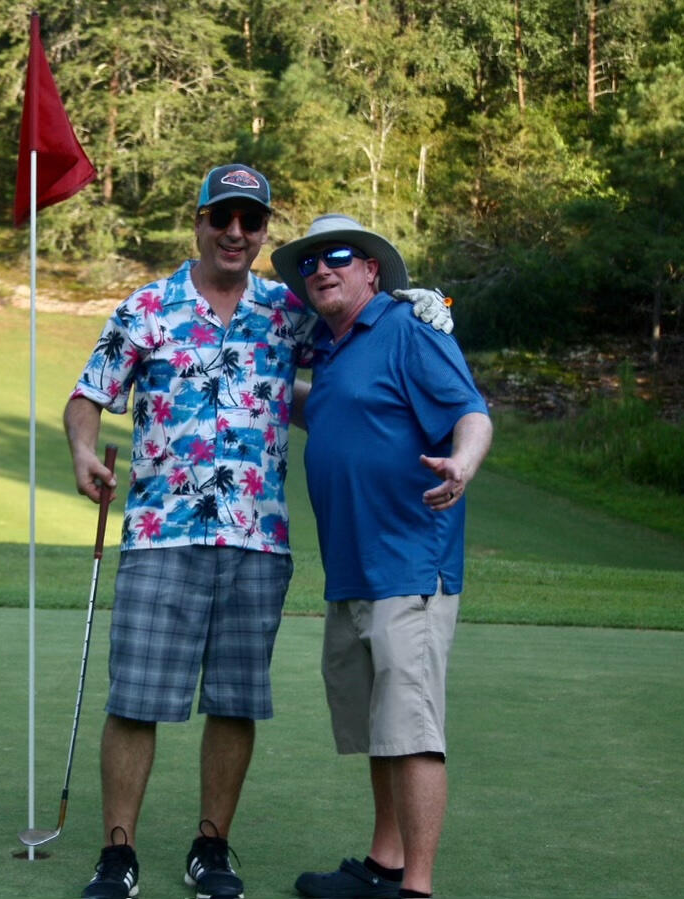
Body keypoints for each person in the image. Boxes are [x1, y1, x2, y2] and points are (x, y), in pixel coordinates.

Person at [62, 164, 318, 899]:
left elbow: (355, 340)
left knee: (235, 700)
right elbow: (89, 396)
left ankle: (212, 848)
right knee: (136, 699)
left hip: (257, 539)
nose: (236, 233)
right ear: (199, 220)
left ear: (265, 231)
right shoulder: (147, 307)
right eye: (223, 218)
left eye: (252, 221)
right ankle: (118, 852)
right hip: (159, 532)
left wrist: (415, 309)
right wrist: (84, 449)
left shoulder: (287, 310)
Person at [272, 214, 493, 899]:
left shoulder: (407, 330)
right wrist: (264, 394)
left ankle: (415, 888)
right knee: (381, 725)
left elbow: (472, 412)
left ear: (373, 269)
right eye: (310, 263)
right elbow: (329, 410)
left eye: (340, 255)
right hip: (354, 568)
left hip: (407, 566)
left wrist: (462, 462)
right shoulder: (334, 349)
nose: (322, 269)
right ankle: (384, 862)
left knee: (413, 728)